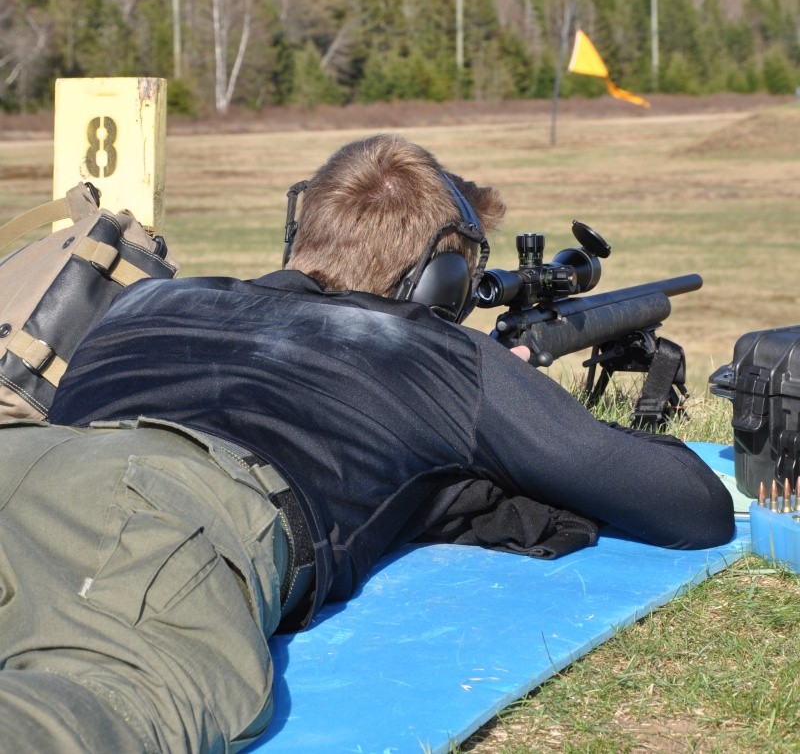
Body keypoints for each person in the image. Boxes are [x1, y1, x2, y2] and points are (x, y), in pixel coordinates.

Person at [0, 133, 733, 753]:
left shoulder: (155, 299)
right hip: (168, 521)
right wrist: (512, 398)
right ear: (441, 285)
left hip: (25, 462)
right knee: (91, 721)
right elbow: (692, 506)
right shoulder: (436, 357)